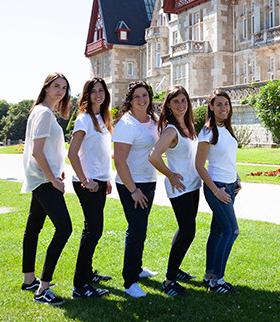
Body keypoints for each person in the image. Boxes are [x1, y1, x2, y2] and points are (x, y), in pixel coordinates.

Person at [20, 73, 73, 306]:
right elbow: (37, 151)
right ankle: (43, 289)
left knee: (33, 228)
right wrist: (53, 179)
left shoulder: (42, 111)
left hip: (41, 178)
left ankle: (29, 280)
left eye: (64, 87)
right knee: (65, 228)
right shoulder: (42, 112)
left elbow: (45, 150)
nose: (60, 91)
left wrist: (54, 171)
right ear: (46, 88)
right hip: (43, 180)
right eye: (56, 86)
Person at [148, 86, 201, 297]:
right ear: (168, 105)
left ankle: (175, 270)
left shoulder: (187, 125)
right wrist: (170, 175)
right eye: (176, 101)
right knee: (188, 231)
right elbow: (153, 156)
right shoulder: (171, 129)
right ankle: (169, 281)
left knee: (184, 229)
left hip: (193, 184)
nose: (181, 105)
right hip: (179, 187)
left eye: (184, 100)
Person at [67, 77, 114, 299]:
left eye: (101, 91)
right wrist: (86, 180)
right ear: (87, 95)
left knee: (92, 229)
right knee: (93, 230)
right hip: (88, 183)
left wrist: (107, 179)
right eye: (94, 91)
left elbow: (101, 151)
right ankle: (80, 285)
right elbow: (72, 153)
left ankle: (87, 274)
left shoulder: (102, 118)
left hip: (99, 180)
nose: (98, 95)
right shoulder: (84, 119)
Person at [112, 81, 159, 298]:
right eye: (137, 96)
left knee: (141, 228)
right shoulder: (126, 124)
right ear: (130, 100)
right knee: (136, 229)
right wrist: (133, 190)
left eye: (145, 95)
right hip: (131, 184)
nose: (142, 100)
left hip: (149, 181)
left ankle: (137, 269)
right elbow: (119, 162)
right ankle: (129, 281)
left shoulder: (152, 120)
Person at [195, 89, 241, 294]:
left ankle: (209, 275)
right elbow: (199, 165)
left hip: (230, 186)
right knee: (232, 231)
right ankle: (218, 282)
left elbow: (228, 160)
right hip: (217, 187)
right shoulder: (207, 132)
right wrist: (216, 191)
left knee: (218, 231)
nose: (224, 108)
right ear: (211, 107)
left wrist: (237, 179)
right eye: (219, 104)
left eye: (226, 104)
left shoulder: (227, 130)